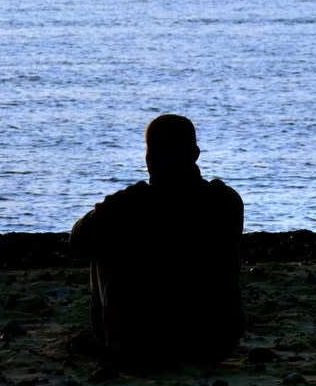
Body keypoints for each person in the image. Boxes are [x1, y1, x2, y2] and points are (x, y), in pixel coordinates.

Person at [70, 113, 244, 370]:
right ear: (195, 154)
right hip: (215, 341)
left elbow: (78, 241)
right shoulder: (226, 201)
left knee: (104, 240)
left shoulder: (129, 206)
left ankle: (114, 335)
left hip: (140, 343)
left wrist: (114, 206)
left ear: (149, 156)